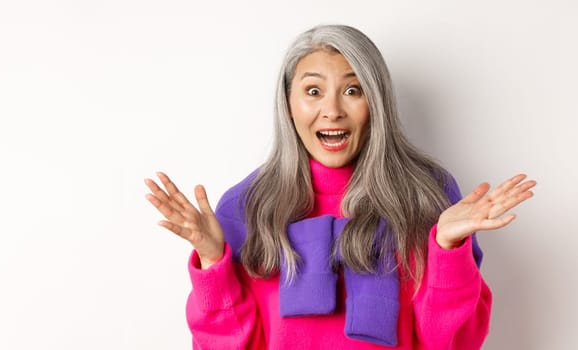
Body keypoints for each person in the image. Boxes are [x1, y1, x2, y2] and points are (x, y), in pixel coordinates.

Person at [143, 24, 535, 349]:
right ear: (288, 102)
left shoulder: (426, 195)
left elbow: (453, 342)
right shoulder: (246, 206)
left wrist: (447, 249)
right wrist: (214, 263)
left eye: (352, 90)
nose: (332, 110)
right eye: (313, 91)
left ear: (376, 101)